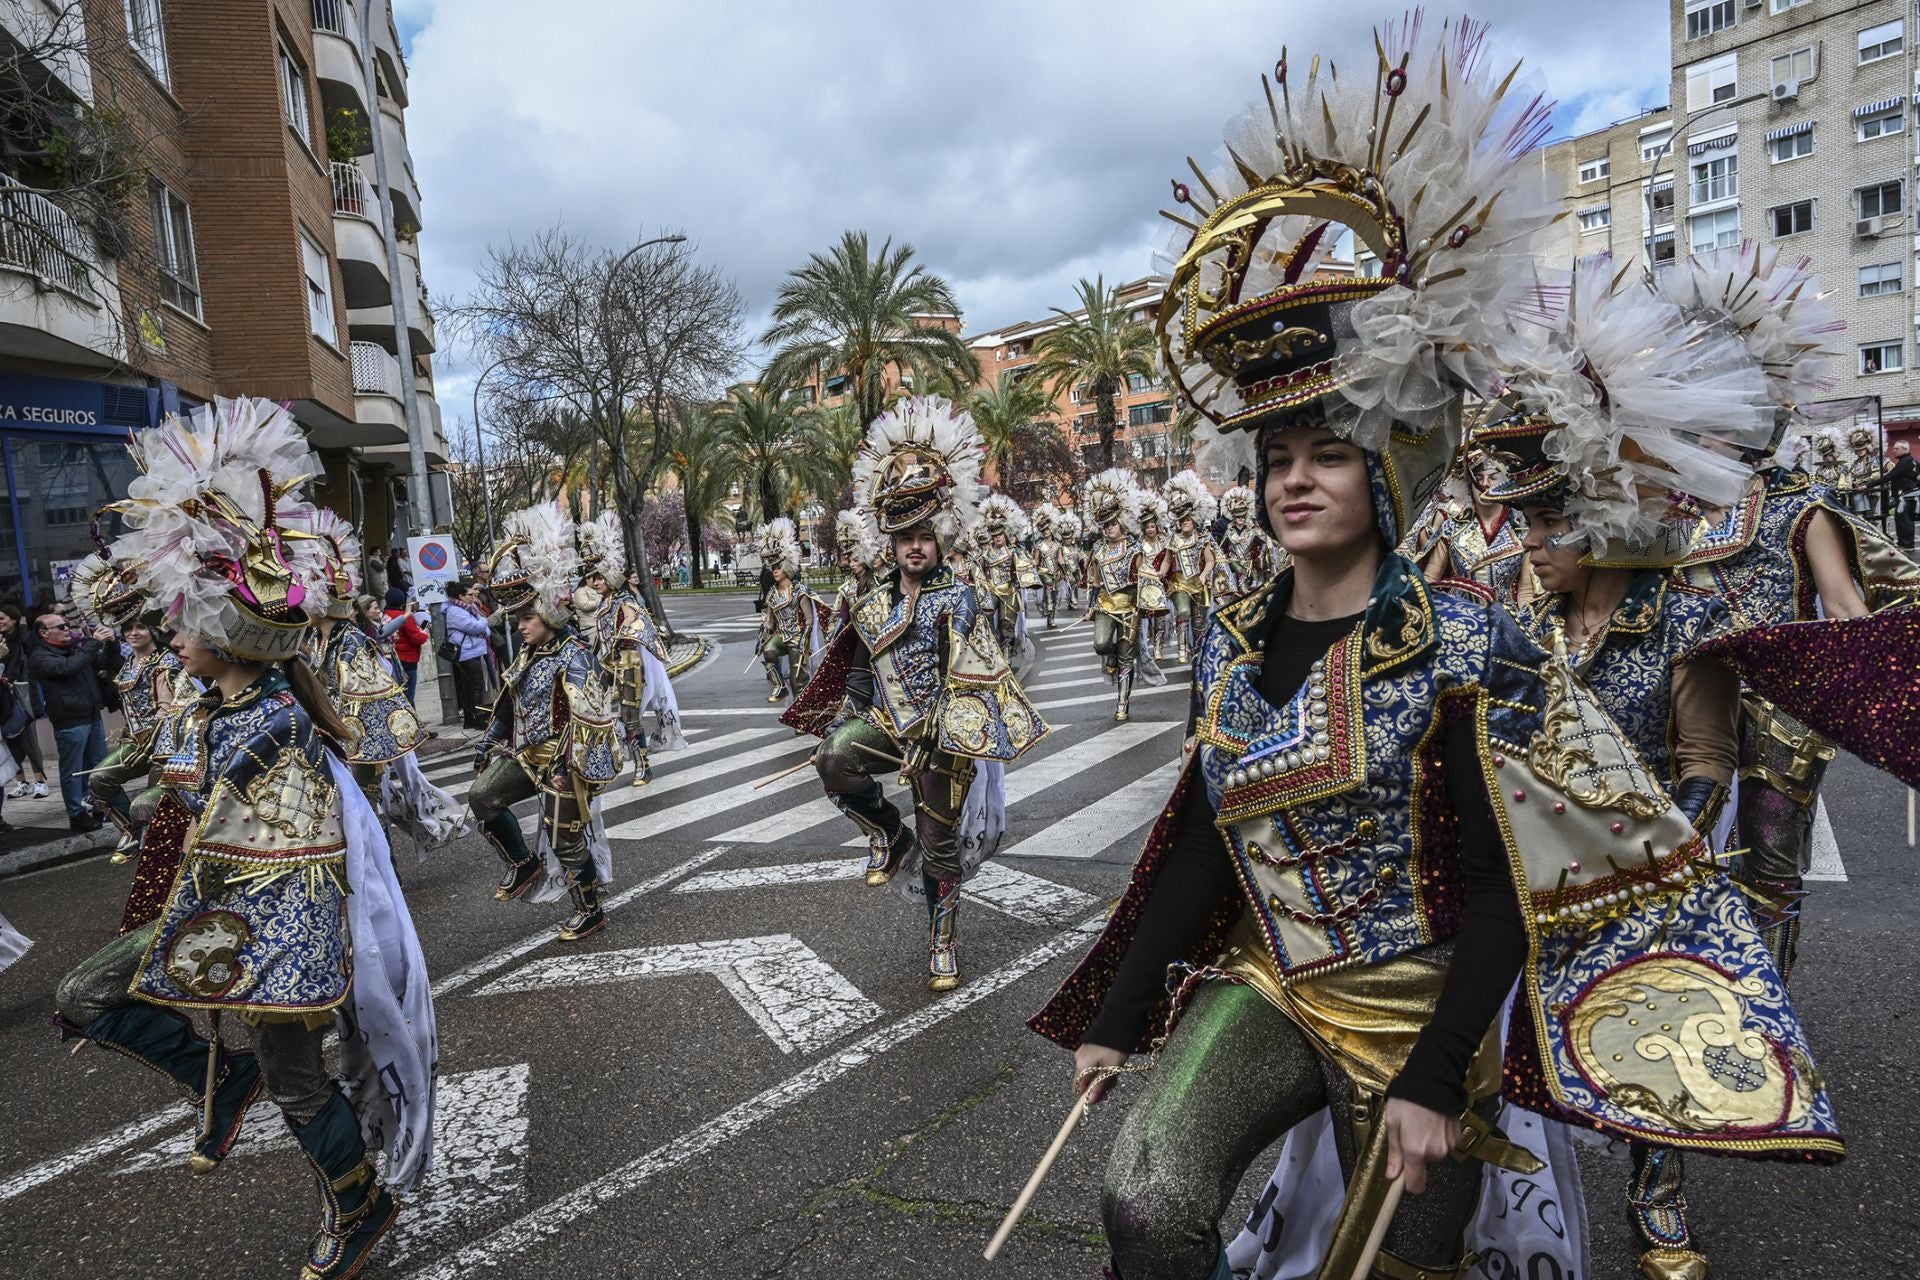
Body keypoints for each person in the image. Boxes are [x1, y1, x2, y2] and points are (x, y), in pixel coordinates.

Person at [1028, 27, 1841, 1279]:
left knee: (1416, 1263)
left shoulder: (1473, 643)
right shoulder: (1233, 636)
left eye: (1330, 452)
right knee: (1147, 1197)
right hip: (1275, 984)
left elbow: (1509, 890)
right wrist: (1124, 1014)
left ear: (1389, 461)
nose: (1298, 480)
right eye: (1279, 457)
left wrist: (1431, 1074)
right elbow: (1203, 829)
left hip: (1428, 1011)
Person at [52, 395, 435, 1279]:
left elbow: (299, 860)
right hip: (216, 914)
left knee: (299, 1081)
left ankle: (359, 1203)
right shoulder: (205, 704)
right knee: (85, 996)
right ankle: (218, 1089)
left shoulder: (278, 723)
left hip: (273, 927)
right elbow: (176, 800)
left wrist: (239, 948)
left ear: (227, 634)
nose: (172, 637)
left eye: (188, 623)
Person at [1471, 260, 1773, 1279]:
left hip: (1644, 865)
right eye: (1523, 520)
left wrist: (1660, 848)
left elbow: (1706, 759)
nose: (1531, 540)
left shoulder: (1684, 615)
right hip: (1534, 863)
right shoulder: (1524, 618)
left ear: (1601, 511)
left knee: (1651, 1027)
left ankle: (1658, 1192)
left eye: (1549, 519)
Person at [783, 396, 1049, 991]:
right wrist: (843, 723)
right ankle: (886, 833)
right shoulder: (871, 602)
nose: (915, 546)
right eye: (904, 535)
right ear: (891, 539)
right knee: (833, 760)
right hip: (888, 726)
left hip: (945, 736)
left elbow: (972, 678)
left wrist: (935, 735)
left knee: (941, 849)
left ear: (942, 532)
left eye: (924, 533)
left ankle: (942, 939)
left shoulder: (959, 596)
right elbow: (854, 677)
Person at [470, 500, 623, 939]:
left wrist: (565, 768)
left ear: (550, 613)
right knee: (482, 797)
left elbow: (591, 720)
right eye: (517, 618)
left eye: (526, 617)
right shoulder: (528, 654)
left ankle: (589, 906)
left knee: (566, 839)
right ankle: (523, 862)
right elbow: (506, 706)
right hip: (525, 756)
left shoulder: (574, 657)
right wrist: (487, 745)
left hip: (564, 764)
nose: (519, 625)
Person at [64, 557, 185, 860]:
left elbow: (168, 703)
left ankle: (162, 850)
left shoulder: (166, 661)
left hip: (165, 745)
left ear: (153, 631)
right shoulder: (130, 662)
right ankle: (132, 831)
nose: (133, 633)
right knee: (98, 780)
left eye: (140, 627)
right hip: (137, 742)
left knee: (151, 803)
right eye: (128, 628)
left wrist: (162, 719)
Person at [573, 510, 683, 785]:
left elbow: (636, 637)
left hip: (632, 668)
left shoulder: (626, 604)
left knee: (630, 719)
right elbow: (602, 642)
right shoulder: (605, 607)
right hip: (615, 669)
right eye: (592, 578)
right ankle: (633, 761)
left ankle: (642, 766)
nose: (596, 582)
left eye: (599, 577)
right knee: (621, 719)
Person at [28, 605, 121, 831]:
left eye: (67, 625)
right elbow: (67, 668)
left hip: (92, 716)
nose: (67, 629)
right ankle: (76, 815)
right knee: (73, 772)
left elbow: (104, 664)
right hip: (70, 722)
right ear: (44, 632)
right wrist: (92, 644)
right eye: (61, 626)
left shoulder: (76, 649)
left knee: (99, 768)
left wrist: (110, 643)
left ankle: (101, 808)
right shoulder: (40, 656)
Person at [1081, 469, 1153, 722]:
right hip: (1105, 606)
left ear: (1121, 524)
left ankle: (1123, 702)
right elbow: (1096, 582)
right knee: (1101, 644)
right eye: (1105, 525)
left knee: (1126, 656)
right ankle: (1110, 654)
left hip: (1130, 608)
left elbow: (1146, 580)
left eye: (1111, 524)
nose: (1107, 529)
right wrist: (1090, 606)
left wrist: (1145, 606)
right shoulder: (1098, 551)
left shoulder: (1135, 549)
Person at [755, 518, 821, 703]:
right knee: (768, 651)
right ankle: (780, 686)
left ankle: (803, 714)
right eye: (772, 568)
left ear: (787, 566)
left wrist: (805, 640)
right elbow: (768, 620)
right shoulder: (772, 595)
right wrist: (764, 634)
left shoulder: (800, 591)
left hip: (797, 638)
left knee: (797, 679)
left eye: (778, 567)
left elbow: (809, 619)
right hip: (782, 636)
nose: (775, 571)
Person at [1162, 470, 1218, 663]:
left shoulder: (1203, 538)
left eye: (1187, 519)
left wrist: (1204, 574)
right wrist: (1159, 574)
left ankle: (1199, 655)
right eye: (1181, 520)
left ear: (1194, 520)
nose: (1184, 523)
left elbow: (1210, 560)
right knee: (1183, 611)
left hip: (1199, 584)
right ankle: (1182, 649)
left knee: (1200, 623)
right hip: (1180, 584)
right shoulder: (1173, 539)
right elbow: (1167, 561)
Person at [0, 603, 51, 798]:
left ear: (14, 619)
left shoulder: (25, 639)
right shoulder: (1, 641)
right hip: (4, 698)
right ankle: (21, 781)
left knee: (29, 740)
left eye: (3, 618)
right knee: (9, 742)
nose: (0, 622)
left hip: (23, 696)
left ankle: (40, 781)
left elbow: (27, 665)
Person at [1215, 484, 1282, 602]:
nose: (1240, 518)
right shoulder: (1229, 532)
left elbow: (1265, 545)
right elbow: (1222, 550)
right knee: (1242, 584)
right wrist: (1226, 560)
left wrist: (1259, 557)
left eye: (1242, 515)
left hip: (1252, 565)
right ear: (1233, 516)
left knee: (1254, 590)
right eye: (1237, 516)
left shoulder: (1254, 531)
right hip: (1235, 563)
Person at [442, 580, 493, 730]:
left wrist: (482, 626)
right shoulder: (455, 611)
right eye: (469, 594)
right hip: (467, 652)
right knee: (475, 686)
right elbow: (474, 626)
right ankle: (475, 716)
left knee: (471, 686)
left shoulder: (468, 608)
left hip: (474, 650)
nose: (473, 597)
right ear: (460, 596)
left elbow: (483, 630)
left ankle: (472, 716)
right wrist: (484, 621)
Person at [381, 587, 430, 704]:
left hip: (391, 659)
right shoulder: (404, 617)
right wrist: (424, 631)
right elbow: (417, 638)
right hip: (407, 659)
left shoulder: (385, 615)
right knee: (409, 696)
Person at [1869, 438, 1917, 549]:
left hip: (1905, 497)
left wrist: (1867, 485)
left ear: (1905, 449)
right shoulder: (1911, 460)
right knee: (1903, 520)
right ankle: (1904, 543)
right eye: (1894, 448)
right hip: (1907, 496)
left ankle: (1907, 544)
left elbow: (1889, 476)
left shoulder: (1906, 462)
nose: (1894, 450)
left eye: (1897, 449)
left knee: (1904, 521)